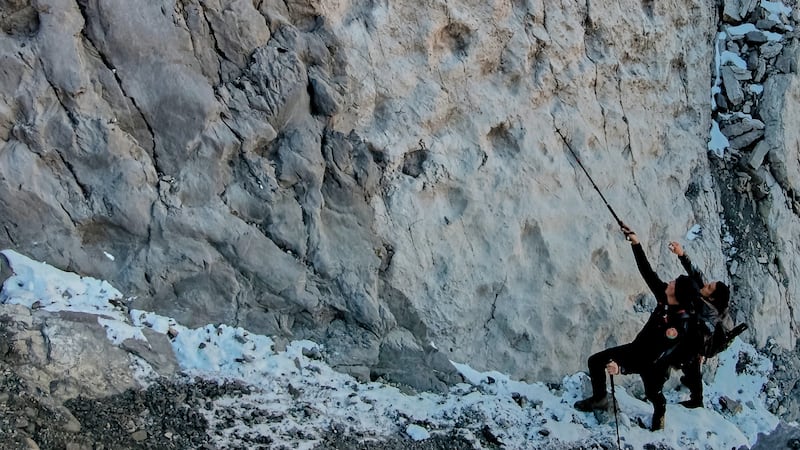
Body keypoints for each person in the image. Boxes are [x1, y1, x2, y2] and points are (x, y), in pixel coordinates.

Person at [574, 225, 700, 431]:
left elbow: (649, 358)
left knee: (653, 393)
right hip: (638, 349)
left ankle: (660, 411)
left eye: (673, 284)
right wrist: (636, 244)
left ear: (677, 296)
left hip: (655, 364)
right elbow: (648, 273)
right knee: (595, 362)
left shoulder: (677, 327)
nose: (668, 282)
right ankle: (599, 398)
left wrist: (621, 368)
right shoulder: (668, 298)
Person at [668, 241, 731, 409]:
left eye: (709, 287)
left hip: (699, 340)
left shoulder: (708, 311)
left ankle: (696, 399)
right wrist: (681, 254)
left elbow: (702, 333)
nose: (706, 285)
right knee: (692, 366)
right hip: (697, 336)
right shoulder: (709, 299)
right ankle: (695, 392)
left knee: (691, 361)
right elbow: (697, 275)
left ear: (711, 298)